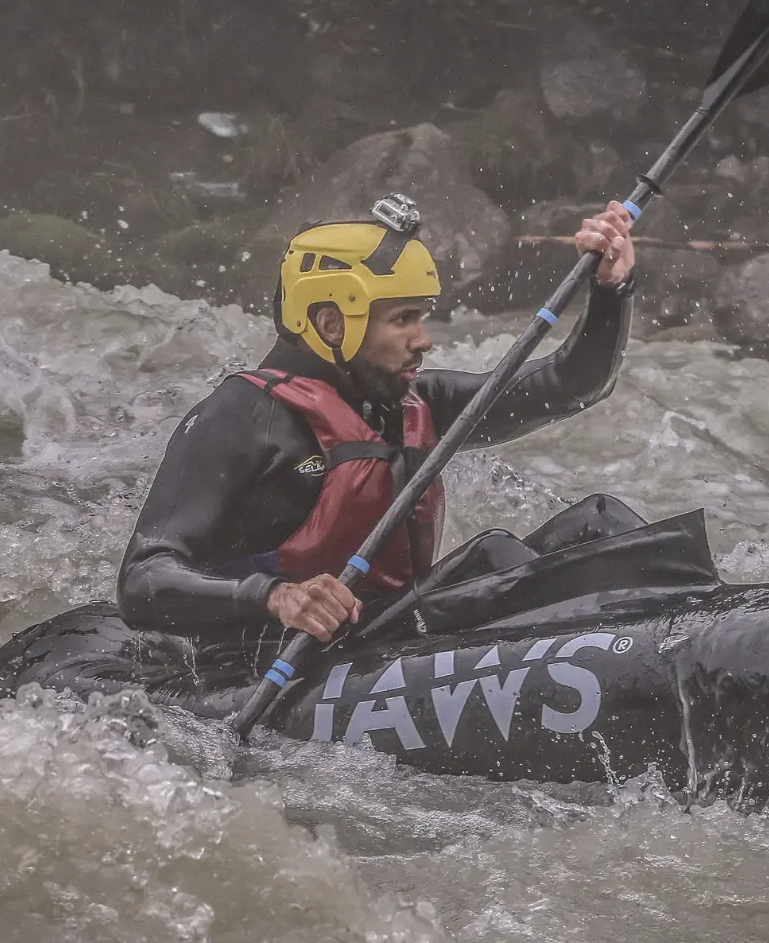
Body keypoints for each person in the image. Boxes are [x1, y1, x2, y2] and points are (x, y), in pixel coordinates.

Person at [116, 194, 636, 649]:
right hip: (268, 655)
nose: (424, 339)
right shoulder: (243, 416)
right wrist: (277, 598)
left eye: (421, 315)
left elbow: (569, 385)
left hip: (388, 632)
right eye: (403, 319)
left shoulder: (414, 401)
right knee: (496, 554)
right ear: (331, 322)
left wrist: (611, 290)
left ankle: (693, 627)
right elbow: (143, 578)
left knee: (600, 523)